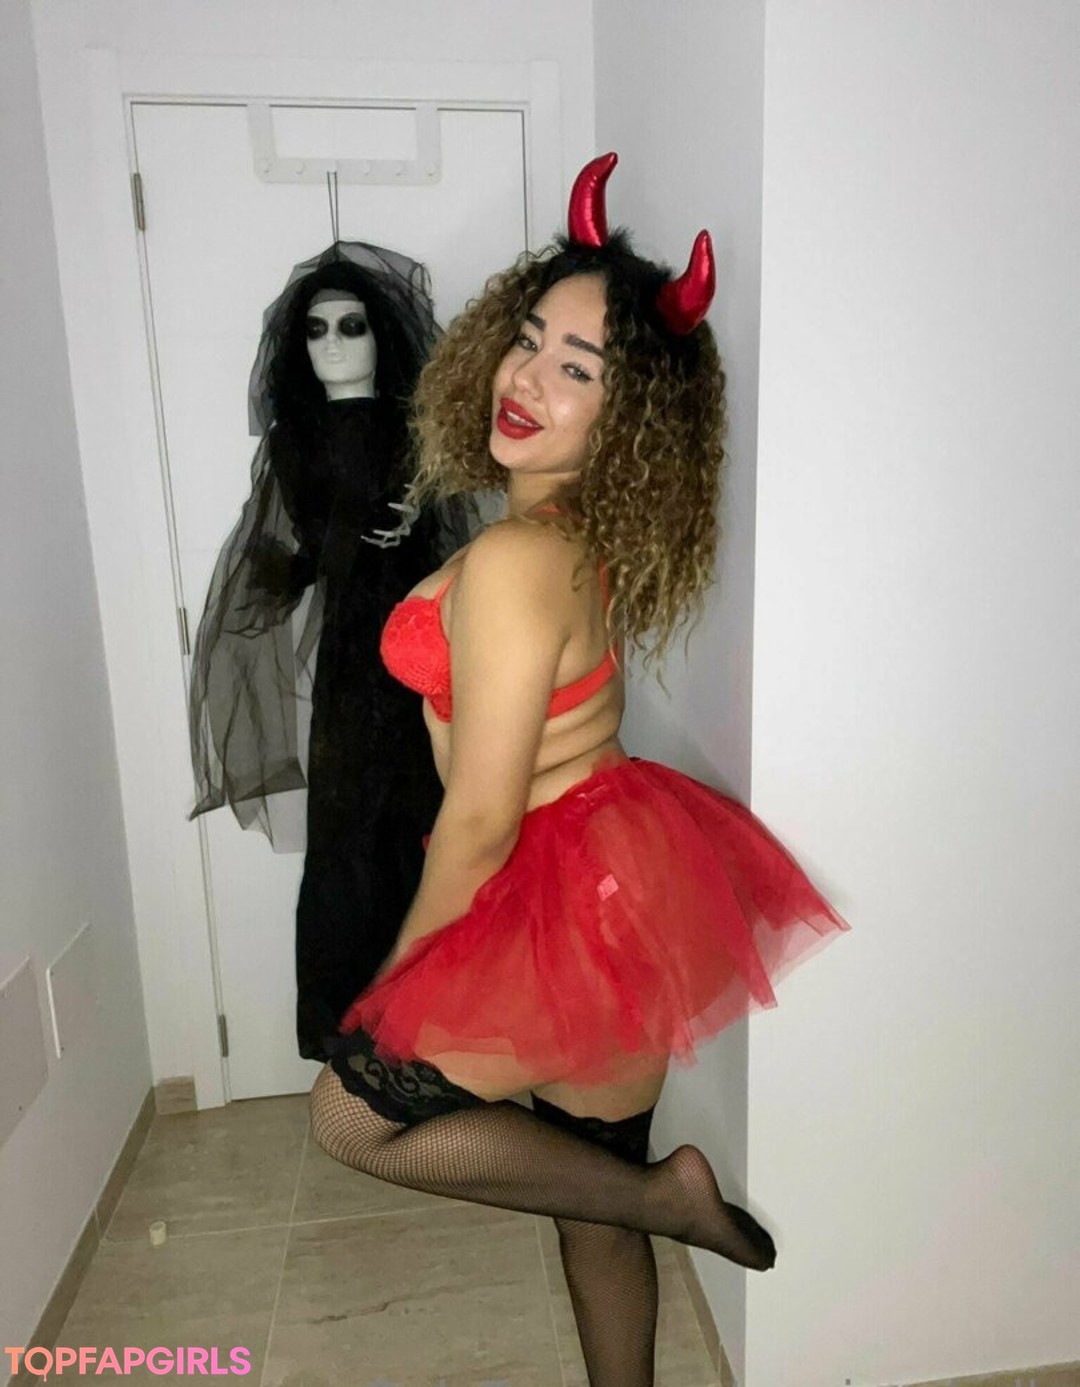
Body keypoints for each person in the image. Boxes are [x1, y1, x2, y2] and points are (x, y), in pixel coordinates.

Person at [309, 156, 847, 1386]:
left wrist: (393, 987)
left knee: (351, 1115)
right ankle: (649, 1209)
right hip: (622, 884)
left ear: (626, 416)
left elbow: (482, 819)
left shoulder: (515, 560)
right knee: (588, 1193)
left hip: (554, 888)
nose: (526, 377)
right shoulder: (567, 535)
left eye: (578, 368)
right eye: (529, 340)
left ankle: (666, 1197)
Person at [188, 241, 473, 1060]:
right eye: (317, 330)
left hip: (421, 648)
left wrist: (411, 528)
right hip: (351, 660)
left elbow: (455, 542)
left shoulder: (417, 430)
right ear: (297, 347)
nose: (335, 344)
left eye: (353, 325)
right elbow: (290, 559)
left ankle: (434, 1033)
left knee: (430, 819)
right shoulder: (294, 442)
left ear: (382, 333)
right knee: (349, 830)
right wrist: (337, 539)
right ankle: (355, 1034)